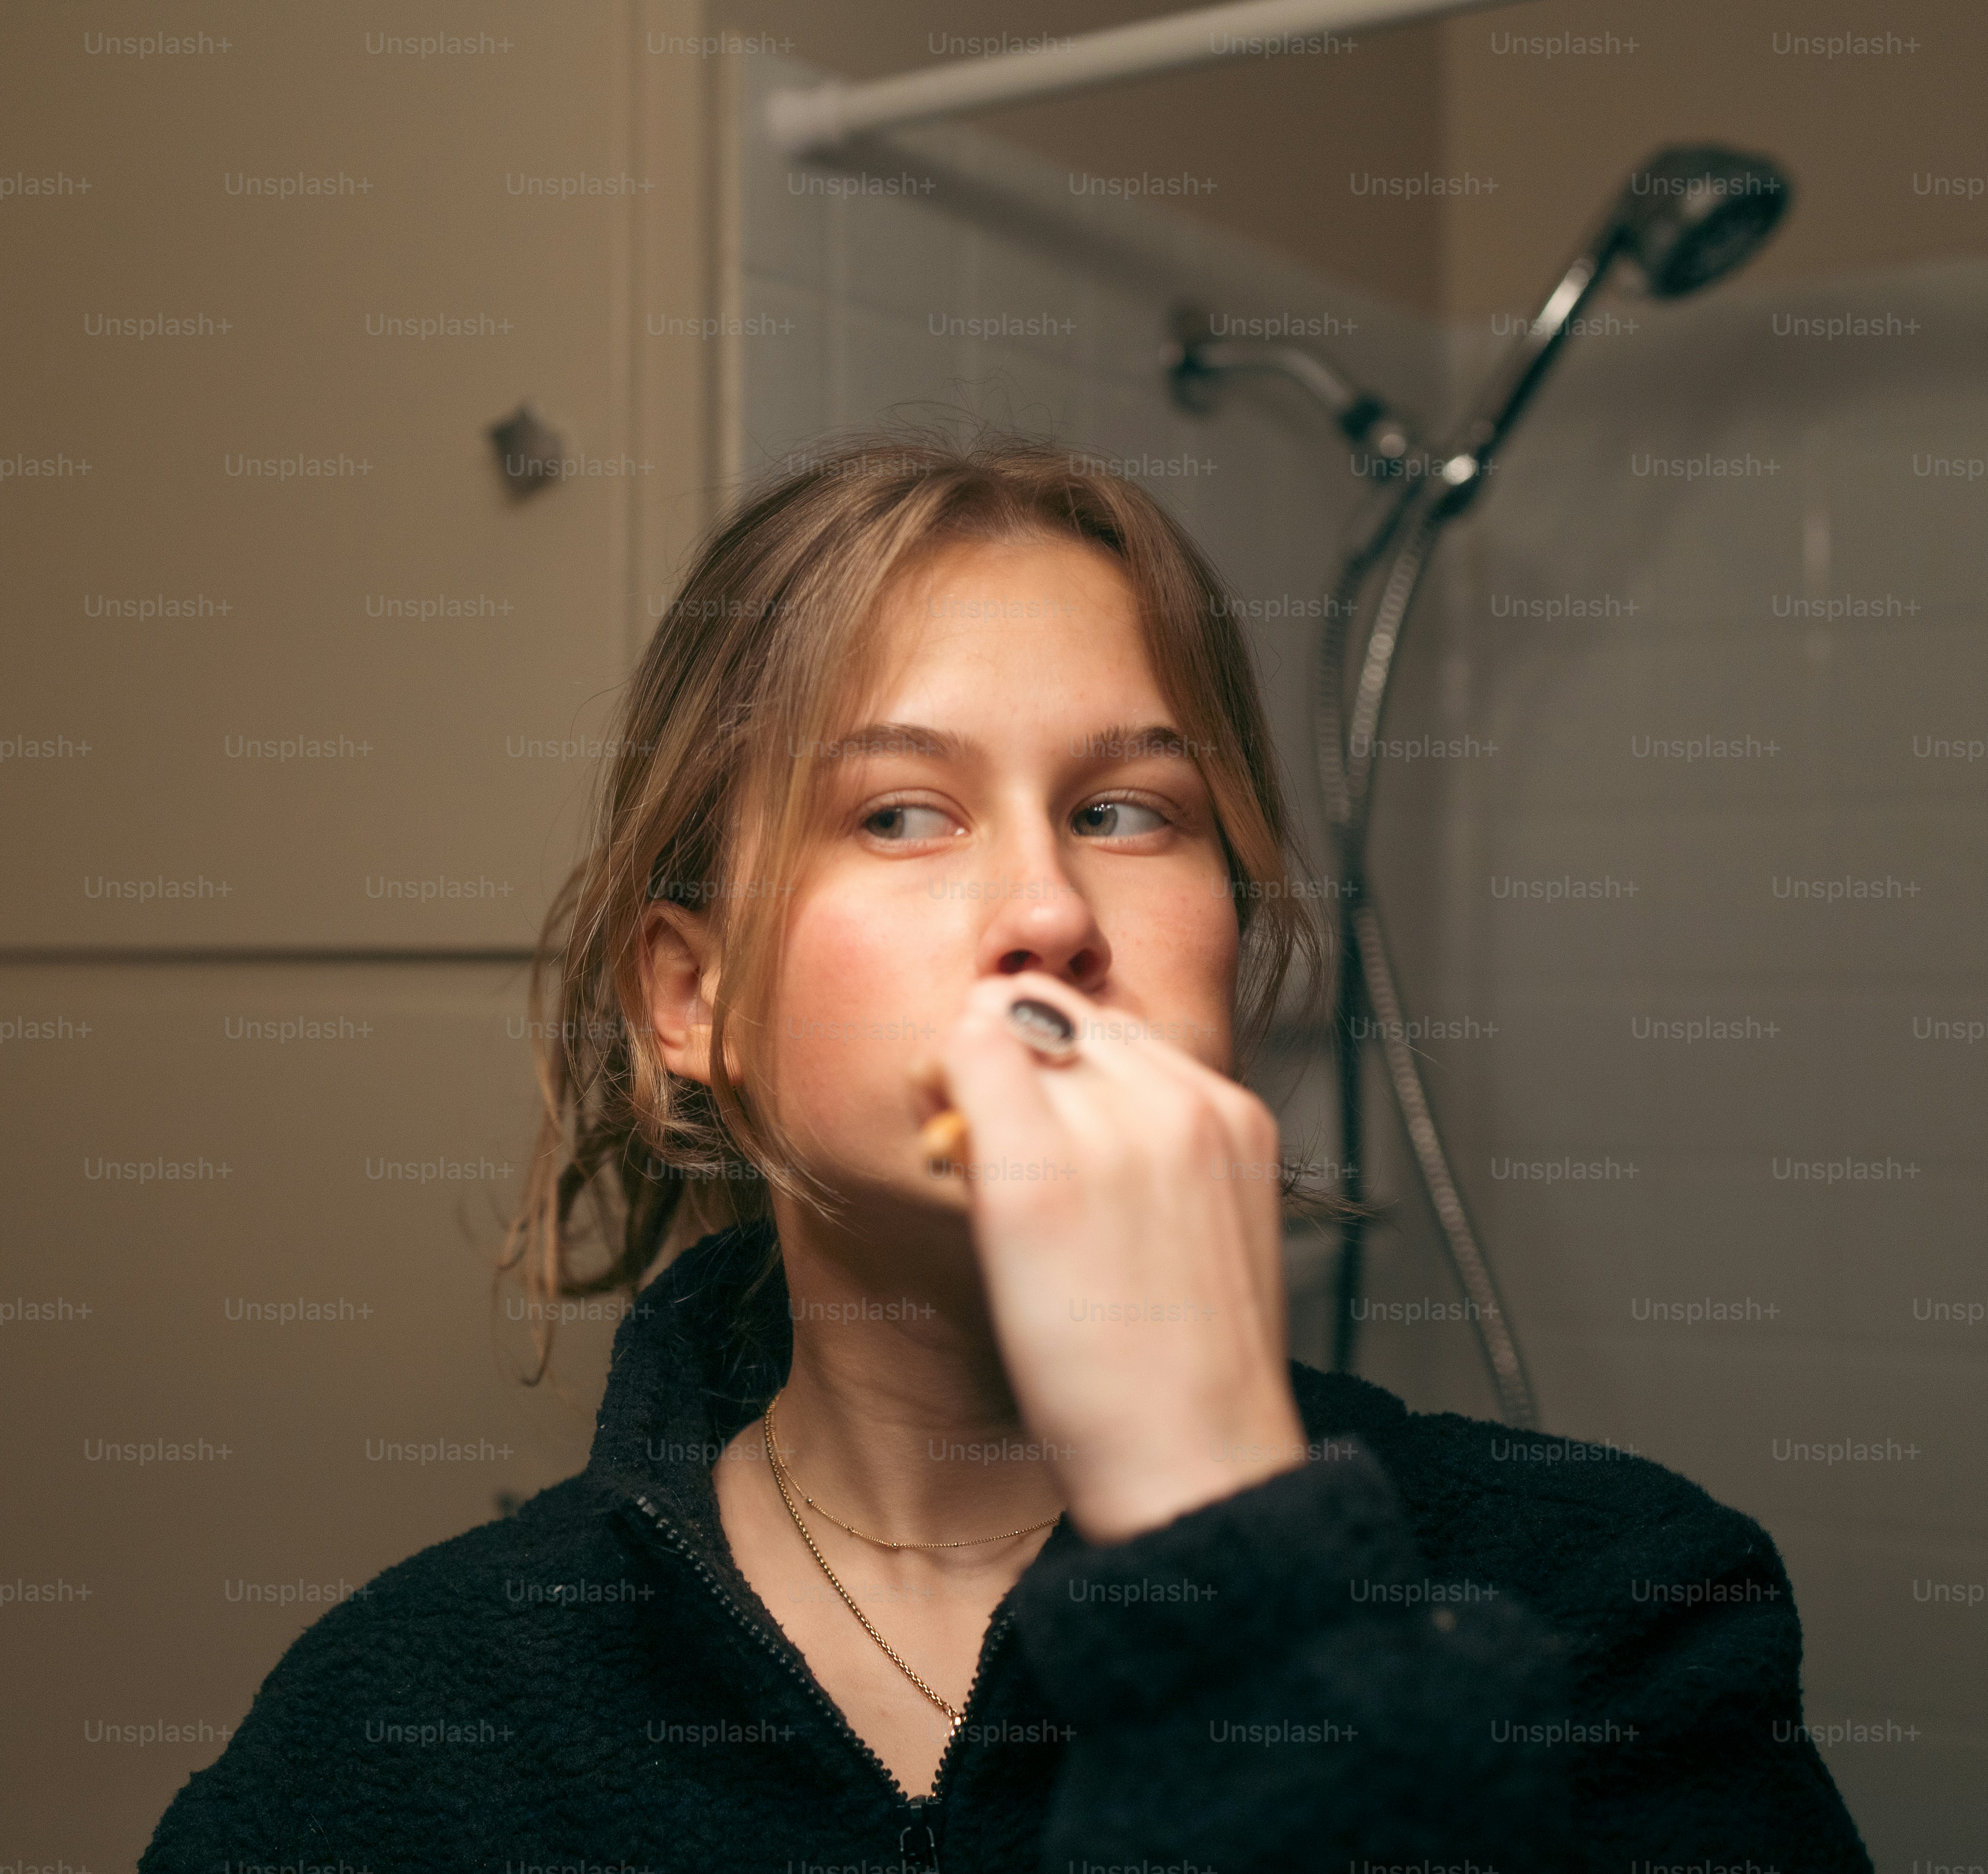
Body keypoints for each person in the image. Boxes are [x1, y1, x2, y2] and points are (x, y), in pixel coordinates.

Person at [142, 435, 1872, 1872]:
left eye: (1127, 812)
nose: (1049, 911)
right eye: (900, 813)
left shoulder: (1610, 1595)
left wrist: (1226, 1538)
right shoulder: (413, 1710)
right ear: (692, 996)